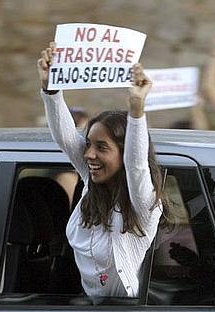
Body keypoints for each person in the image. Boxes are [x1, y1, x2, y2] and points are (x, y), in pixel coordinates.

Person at [37, 42, 166, 298]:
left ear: (123, 151)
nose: (88, 155)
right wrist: (51, 89)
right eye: (88, 145)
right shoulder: (91, 184)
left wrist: (137, 108)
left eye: (101, 147)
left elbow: (137, 166)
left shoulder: (142, 202)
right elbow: (65, 137)